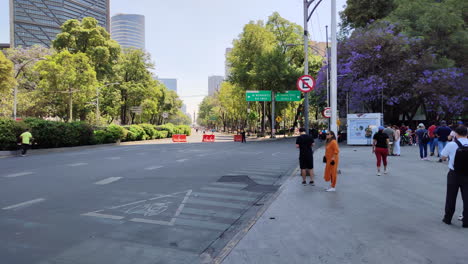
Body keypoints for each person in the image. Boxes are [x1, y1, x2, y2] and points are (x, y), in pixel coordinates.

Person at [440, 125, 467, 228]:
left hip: (454, 174)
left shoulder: (451, 144)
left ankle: (448, 218)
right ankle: (466, 221)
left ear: (456, 134)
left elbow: (443, 157)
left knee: (451, 196)